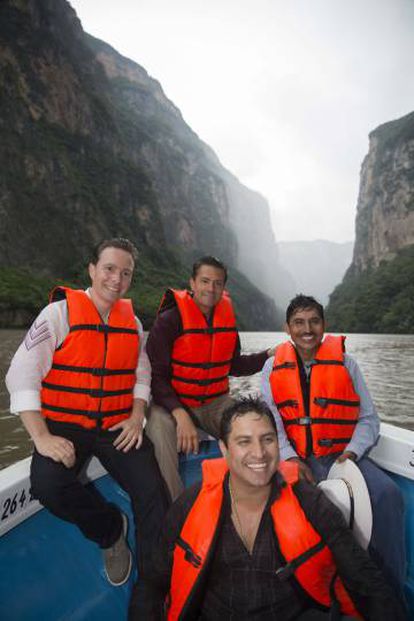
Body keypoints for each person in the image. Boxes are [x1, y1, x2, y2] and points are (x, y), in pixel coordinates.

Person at [6, 237, 170, 618]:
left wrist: (136, 414)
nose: (116, 278)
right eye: (109, 269)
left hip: (116, 424)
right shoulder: (58, 315)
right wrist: (42, 436)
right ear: (92, 270)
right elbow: (21, 376)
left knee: (152, 494)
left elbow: (141, 374)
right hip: (65, 425)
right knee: (47, 485)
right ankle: (111, 530)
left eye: (125, 272)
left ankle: (152, 588)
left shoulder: (133, 322)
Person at [150, 396, 406, 620]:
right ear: (224, 450)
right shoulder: (190, 504)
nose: (259, 453)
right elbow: (152, 583)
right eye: (244, 442)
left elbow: (362, 575)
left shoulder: (310, 502)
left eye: (267, 439)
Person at [261, 294, 406, 597]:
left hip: (344, 455)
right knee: (293, 508)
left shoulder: (347, 364)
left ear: (324, 325)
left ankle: (388, 593)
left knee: (388, 494)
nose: (307, 329)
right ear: (287, 328)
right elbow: (271, 423)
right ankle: (312, 591)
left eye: (314, 321)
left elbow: (369, 419)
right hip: (297, 457)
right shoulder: (271, 368)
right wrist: (291, 459)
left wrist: (351, 453)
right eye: (299, 322)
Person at [145, 255, 275, 500]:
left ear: (223, 287)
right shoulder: (169, 320)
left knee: (250, 423)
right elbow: (156, 376)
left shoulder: (226, 320)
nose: (211, 289)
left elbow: (235, 365)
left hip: (215, 402)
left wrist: (269, 355)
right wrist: (179, 412)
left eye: (217, 283)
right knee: (159, 428)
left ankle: (253, 495)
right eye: (205, 281)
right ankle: (176, 506)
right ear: (192, 283)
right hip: (171, 402)